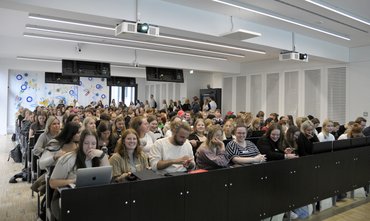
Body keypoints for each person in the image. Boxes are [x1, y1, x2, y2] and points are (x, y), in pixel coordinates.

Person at [49, 129, 109, 220]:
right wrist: (73, 181)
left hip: (90, 197)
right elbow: (52, 183)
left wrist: (102, 155)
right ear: (81, 143)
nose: (90, 147)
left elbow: (107, 178)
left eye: (93, 143)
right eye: (86, 143)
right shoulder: (68, 159)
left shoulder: (98, 157)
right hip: (65, 198)